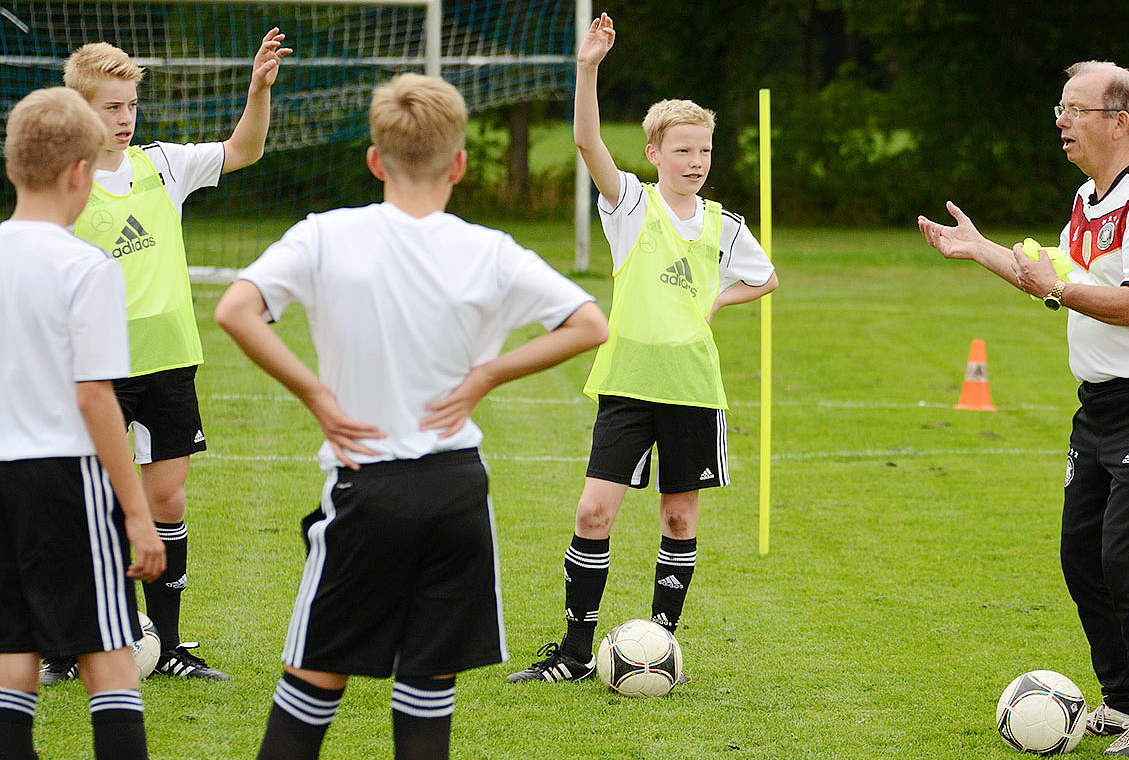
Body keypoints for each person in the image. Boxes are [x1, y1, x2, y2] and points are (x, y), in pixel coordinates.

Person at [214, 72, 608, 760]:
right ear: (459, 163)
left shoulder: (326, 236)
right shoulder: (490, 250)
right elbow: (588, 323)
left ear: (374, 160)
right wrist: (488, 373)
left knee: (312, 684)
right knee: (427, 691)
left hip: (366, 486)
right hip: (456, 490)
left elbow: (234, 310)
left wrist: (315, 394)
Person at [918, 61, 1129, 756]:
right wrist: (982, 251)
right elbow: (1062, 281)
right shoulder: (1089, 197)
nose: (1061, 120)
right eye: (1061, 107)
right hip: (1099, 404)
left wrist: (1054, 289)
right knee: (1082, 556)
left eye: (1075, 109)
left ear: (1119, 120)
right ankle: (1118, 702)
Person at [507, 12, 778, 684]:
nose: (695, 162)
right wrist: (589, 67)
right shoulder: (630, 205)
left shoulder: (724, 225)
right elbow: (587, 140)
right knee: (594, 510)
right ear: (655, 153)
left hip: (691, 387)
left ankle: (659, 646)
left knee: (680, 516)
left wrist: (717, 299)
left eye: (705, 152)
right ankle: (573, 653)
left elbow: (766, 278)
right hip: (627, 382)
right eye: (682, 151)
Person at [42, 31, 291, 683]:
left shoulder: (163, 165)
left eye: (130, 106)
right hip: (96, 370)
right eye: (109, 108)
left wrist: (257, 92)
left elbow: (245, 149)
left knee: (168, 501)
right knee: (90, 504)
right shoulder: (64, 187)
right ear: (78, 111)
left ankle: (170, 646)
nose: (124, 120)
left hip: (170, 360)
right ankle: (74, 644)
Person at [0, 86, 168, 760]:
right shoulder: (86, 268)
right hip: (64, 479)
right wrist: (135, 514)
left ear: (15, 167)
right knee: (112, 656)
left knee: (13, 653)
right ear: (80, 172)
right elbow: (96, 397)